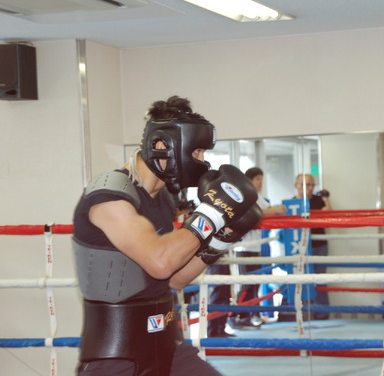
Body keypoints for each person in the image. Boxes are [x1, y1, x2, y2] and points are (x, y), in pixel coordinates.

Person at [71, 95, 262, 376]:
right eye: (196, 152)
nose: (201, 161)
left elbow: (174, 278)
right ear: (162, 145)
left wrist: (222, 239)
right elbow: (159, 261)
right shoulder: (109, 197)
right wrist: (213, 212)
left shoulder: (164, 198)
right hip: (117, 356)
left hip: (167, 344)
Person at [229, 167, 287, 330]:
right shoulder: (244, 196)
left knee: (254, 283)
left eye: (262, 179)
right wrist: (277, 209)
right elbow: (260, 212)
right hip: (243, 247)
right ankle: (233, 317)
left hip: (255, 247)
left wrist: (276, 210)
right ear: (249, 181)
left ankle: (250, 315)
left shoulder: (257, 196)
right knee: (246, 284)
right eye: (257, 179)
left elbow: (267, 210)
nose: (260, 182)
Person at [293, 173, 332, 320]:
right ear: (296, 185)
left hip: (319, 245)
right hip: (298, 246)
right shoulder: (291, 203)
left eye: (312, 185)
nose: (310, 188)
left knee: (320, 280)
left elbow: (329, 215)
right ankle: (302, 313)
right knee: (301, 280)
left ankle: (322, 313)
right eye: (306, 185)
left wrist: (326, 199)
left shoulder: (318, 200)